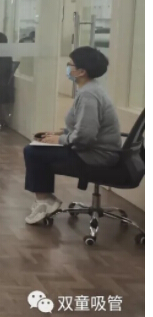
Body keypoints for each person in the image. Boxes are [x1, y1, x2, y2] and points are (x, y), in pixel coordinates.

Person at [23, 47, 121, 225]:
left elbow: (86, 137)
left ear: (81, 71)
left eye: (70, 64)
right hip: (96, 151)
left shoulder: (88, 95)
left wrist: (60, 140)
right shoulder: (91, 89)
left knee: (33, 152)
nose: (67, 67)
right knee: (40, 149)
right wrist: (61, 133)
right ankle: (45, 199)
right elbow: (84, 126)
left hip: (96, 156)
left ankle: (45, 201)